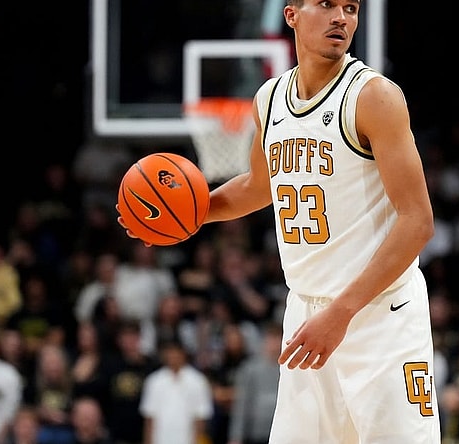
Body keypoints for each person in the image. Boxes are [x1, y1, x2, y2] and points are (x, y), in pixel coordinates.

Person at [118, 1, 441, 441]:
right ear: (291, 15)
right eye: (326, 4)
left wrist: (341, 313)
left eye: (350, 7)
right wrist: (186, 216)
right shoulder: (270, 98)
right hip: (308, 312)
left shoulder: (373, 97)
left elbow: (418, 221)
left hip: (379, 315)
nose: (341, 17)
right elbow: (258, 185)